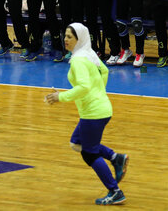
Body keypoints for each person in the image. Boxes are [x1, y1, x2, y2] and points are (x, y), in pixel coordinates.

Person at [44, 23, 128, 206]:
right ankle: (116, 158)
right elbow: (104, 72)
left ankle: (115, 191)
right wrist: (98, 93)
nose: (65, 40)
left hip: (93, 113)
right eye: (65, 36)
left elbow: (83, 87)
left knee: (89, 154)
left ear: (79, 39)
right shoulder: (89, 54)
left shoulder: (78, 60)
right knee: (76, 143)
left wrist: (61, 97)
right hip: (100, 108)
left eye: (70, 37)